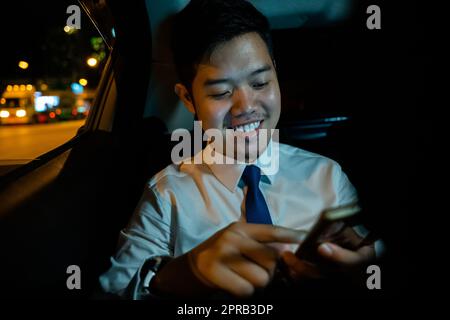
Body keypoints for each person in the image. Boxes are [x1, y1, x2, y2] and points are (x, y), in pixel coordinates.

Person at [99, 0, 379, 299]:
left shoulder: (328, 177)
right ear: (188, 99)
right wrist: (174, 276)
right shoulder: (167, 196)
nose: (246, 106)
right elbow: (112, 291)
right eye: (221, 92)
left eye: (260, 82)